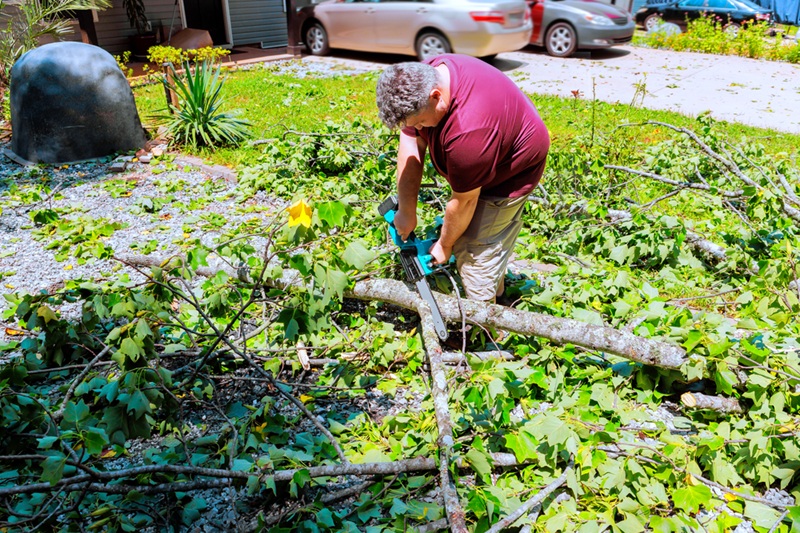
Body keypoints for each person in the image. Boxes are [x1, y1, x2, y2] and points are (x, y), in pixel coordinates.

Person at [375, 54, 550, 303]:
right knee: (465, 233)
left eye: (422, 122)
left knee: (473, 250)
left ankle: (487, 323)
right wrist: (406, 210)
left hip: (510, 172)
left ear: (436, 96)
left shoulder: (470, 132)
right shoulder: (420, 77)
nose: (420, 128)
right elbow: (411, 143)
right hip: (482, 150)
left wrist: (446, 245)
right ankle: (494, 286)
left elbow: (465, 201)